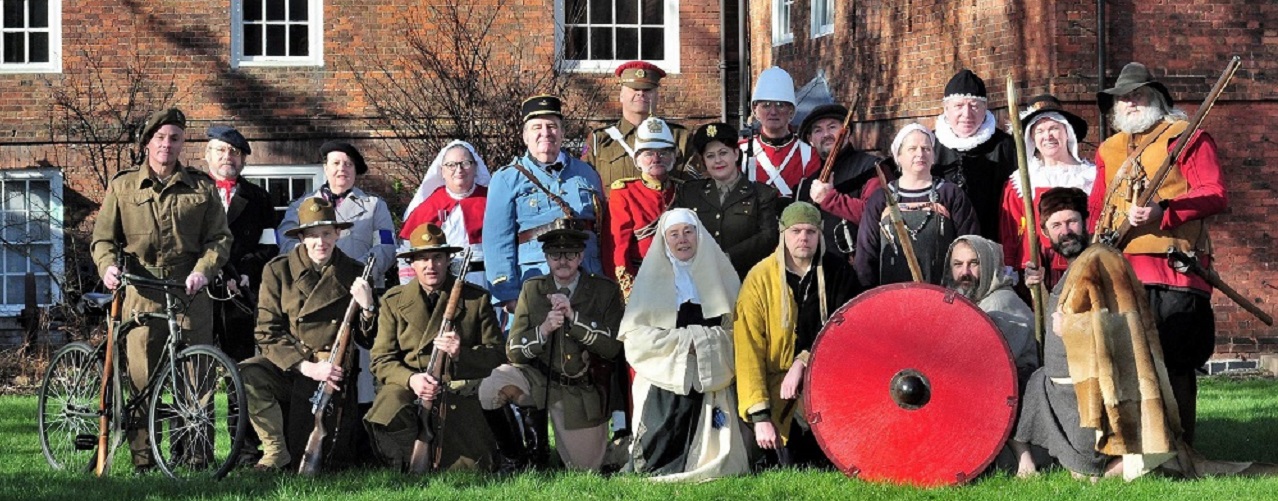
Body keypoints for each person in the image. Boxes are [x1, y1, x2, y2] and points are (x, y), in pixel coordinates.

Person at [1018, 188, 1276, 481]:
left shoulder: (1103, 261)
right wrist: (1038, 289)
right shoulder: (1072, 267)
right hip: (1058, 392)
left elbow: (1125, 326)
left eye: (1072, 222)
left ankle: (1156, 457)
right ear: (1044, 232)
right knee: (1035, 392)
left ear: (1086, 222)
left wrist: (1072, 329)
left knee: (1089, 476)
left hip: (1091, 395)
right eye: (1057, 225)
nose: (1066, 231)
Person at [1088, 62, 1226, 446]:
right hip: (1121, 271)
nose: (1130, 102)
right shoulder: (1108, 150)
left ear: (1157, 99)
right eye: (1123, 97)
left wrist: (1163, 210)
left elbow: (1214, 192)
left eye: (1138, 94)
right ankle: (1135, 447)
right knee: (1126, 364)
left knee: (1176, 362)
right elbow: (1096, 210)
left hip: (1174, 271)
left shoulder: (1186, 137)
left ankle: (1180, 448)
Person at [89, 108, 233, 472]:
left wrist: (204, 271)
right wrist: (107, 266)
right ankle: (144, 459)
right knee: (141, 377)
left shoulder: (201, 187)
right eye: (160, 138)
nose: (167, 145)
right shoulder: (123, 186)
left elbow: (219, 238)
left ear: (183, 143)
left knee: (197, 375)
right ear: (147, 143)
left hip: (190, 291)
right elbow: (103, 238)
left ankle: (198, 457)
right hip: (140, 291)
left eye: (175, 138)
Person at [240, 197, 376, 471]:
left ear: (338, 233)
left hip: (335, 372)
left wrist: (368, 307)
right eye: (312, 235)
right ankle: (274, 451)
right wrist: (306, 366)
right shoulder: (277, 271)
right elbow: (266, 332)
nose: (320, 242)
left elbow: (367, 339)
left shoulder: (356, 273)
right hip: (292, 365)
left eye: (326, 233)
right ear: (301, 237)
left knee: (327, 461)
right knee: (248, 373)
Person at [477, 222, 625, 472]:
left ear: (580, 256)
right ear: (546, 257)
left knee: (585, 469)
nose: (562, 261)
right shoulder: (533, 289)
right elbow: (513, 350)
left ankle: (609, 447)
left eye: (570, 254)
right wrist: (543, 330)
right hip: (538, 379)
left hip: (579, 389)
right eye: (555, 255)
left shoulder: (604, 290)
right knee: (492, 386)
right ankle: (519, 458)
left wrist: (574, 319)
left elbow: (613, 348)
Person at [364, 223, 506, 471]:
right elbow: (381, 360)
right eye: (422, 259)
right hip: (411, 390)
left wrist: (461, 353)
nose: (431, 266)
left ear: (448, 259)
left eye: (437, 257)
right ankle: (403, 459)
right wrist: (412, 380)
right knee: (390, 405)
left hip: (457, 390)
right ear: (412, 264)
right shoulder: (393, 302)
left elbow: (496, 354)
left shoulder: (475, 299)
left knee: (471, 467)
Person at [620, 208, 749, 481]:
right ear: (664, 241)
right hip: (664, 375)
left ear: (699, 235)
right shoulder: (649, 281)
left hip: (710, 376)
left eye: (688, 232)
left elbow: (737, 332)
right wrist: (687, 342)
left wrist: (701, 343)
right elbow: (636, 337)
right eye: (674, 234)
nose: (683, 240)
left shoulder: (723, 277)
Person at [734, 202, 859, 469]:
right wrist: (760, 417)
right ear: (782, 234)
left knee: (827, 458)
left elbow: (847, 334)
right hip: (774, 388)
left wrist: (803, 361)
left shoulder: (839, 272)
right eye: (795, 231)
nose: (803, 238)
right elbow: (748, 350)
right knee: (778, 460)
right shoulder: (759, 278)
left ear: (820, 233)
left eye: (810, 231)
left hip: (826, 382)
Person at [277, 141, 398, 412]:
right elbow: (286, 244)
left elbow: (386, 245)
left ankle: (360, 425)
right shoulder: (301, 206)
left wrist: (363, 272)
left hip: (358, 293)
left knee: (363, 369)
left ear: (356, 171)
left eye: (348, 164)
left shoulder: (373, 206)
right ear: (324, 168)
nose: (342, 168)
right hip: (315, 297)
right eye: (336, 163)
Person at [483, 95, 607, 315]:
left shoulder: (587, 174)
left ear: (562, 132)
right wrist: (508, 294)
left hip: (587, 280)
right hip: (535, 283)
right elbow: (497, 241)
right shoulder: (507, 179)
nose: (545, 133)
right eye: (536, 127)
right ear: (525, 136)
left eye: (552, 126)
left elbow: (601, 230)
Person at [940, 235, 1040, 475]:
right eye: (958, 264)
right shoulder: (966, 300)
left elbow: (991, 362)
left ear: (989, 265)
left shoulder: (1001, 302)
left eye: (974, 263)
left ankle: (1024, 461)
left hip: (1016, 387)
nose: (965, 272)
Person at [855, 124, 979, 287]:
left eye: (926, 148)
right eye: (912, 148)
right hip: (893, 296)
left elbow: (970, 246)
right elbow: (866, 252)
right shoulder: (881, 198)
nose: (920, 154)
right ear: (898, 156)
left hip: (942, 296)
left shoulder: (951, 194)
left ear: (934, 156)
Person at [998, 101, 1094, 290]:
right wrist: (1011, 267)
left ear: (1067, 132)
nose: (1047, 136)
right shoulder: (1020, 182)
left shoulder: (1091, 176)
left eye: (1054, 128)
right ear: (1032, 138)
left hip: (1085, 264)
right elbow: (1009, 232)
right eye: (1040, 131)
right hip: (1038, 272)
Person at [204, 125, 278, 363]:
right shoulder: (191, 193)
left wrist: (248, 271)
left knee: (239, 363)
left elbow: (269, 245)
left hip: (239, 292)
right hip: (198, 290)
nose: (228, 157)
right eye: (221, 150)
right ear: (208, 155)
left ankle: (235, 402)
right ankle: (193, 402)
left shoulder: (259, 198)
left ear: (243, 159)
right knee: (195, 362)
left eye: (235, 152)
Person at [675, 122, 780, 279]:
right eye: (710, 156)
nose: (718, 160)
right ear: (704, 161)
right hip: (699, 278)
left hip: (745, 278)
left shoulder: (762, 194)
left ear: (736, 154)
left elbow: (768, 236)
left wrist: (727, 257)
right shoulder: (690, 193)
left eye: (723, 153)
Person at [931, 69, 1018, 242]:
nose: (967, 114)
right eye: (959, 106)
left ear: (985, 108)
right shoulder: (929, 145)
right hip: (939, 242)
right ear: (946, 108)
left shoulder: (1005, 146)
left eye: (974, 106)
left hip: (992, 239)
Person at [583, 60, 694, 191]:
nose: (641, 93)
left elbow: (694, 187)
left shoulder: (680, 137)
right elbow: (584, 184)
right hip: (616, 210)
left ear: (657, 95)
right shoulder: (600, 139)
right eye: (634, 89)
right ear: (621, 95)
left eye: (647, 90)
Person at [796, 103, 884, 264]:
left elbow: (879, 217)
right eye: (818, 130)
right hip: (818, 273)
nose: (826, 134)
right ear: (810, 140)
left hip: (859, 274)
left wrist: (830, 199)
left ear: (847, 131)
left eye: (832, 127)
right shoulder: (806, 184)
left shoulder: (871, 168)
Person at [398, 140, 492, 287]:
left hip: (488, 281)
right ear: (442, 171)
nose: (459, 170)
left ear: (475, 167)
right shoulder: (427, 206)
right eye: (451, 165)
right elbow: (408, 252)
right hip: (443, 284)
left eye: (465, 163)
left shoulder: (492, 200)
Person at [607, 116, 681, 297]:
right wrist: (628, 288)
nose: (656, 158)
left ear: (673, 156)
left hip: (681, 278)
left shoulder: (683, 190)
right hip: (642, 278)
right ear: (637, 159)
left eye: (663, 153)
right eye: (648, 153)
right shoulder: (624, 193)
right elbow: (619, 246)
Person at [740, 67, 821, 202]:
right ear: (755, 109)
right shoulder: (740, 152)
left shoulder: (808, 155)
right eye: (766, 105)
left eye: (780, 105)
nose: (773, 112)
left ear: (791, 110)